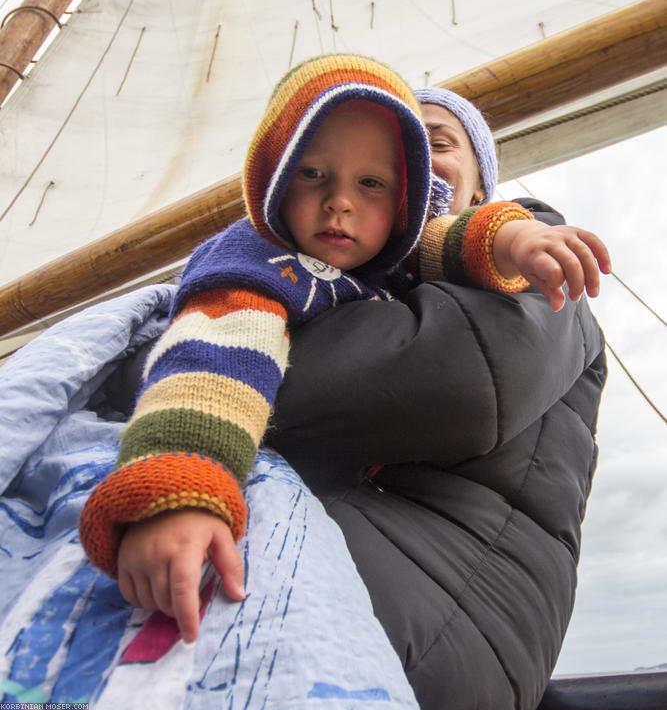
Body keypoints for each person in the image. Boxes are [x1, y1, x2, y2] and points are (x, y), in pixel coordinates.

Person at [79, 57, 608, 669]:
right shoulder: (258, 266)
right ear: (273, 184)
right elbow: (211, 369)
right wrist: (176, 490)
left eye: (376, 182)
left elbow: (452, 244)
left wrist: (520, 240)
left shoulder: (517, 272)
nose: (340, 204)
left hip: (450, 603)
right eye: (312, 173)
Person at [266, 84, 609, 710]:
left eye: (439, 142)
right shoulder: (312, 273)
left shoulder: (540, 258)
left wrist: (193, 362)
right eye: (394, 153)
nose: (415, 158)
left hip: (459, 599)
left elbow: (458, 383)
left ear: (481, 186)